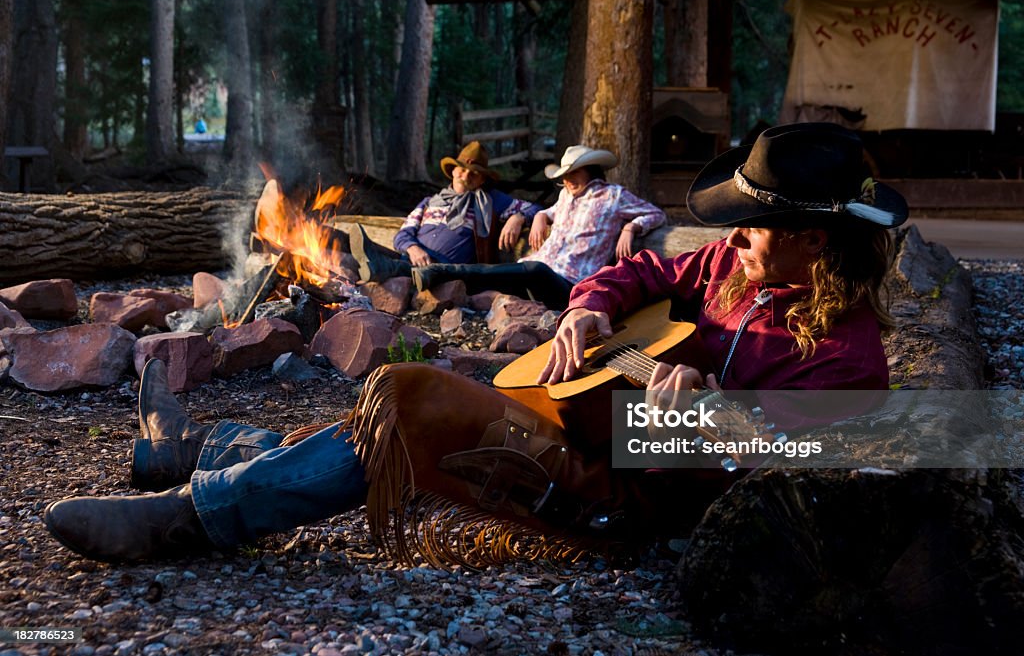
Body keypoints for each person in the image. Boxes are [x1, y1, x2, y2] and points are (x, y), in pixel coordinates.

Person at [43, 122, 908, 565]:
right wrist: (586, 313)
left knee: (416, 400)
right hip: (583, 415)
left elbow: (784, 464)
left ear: (815, 241)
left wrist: (706, 420)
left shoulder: (847, 362)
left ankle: (199, 512)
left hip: (626, 496)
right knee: (411, 419)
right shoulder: (733, 264)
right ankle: (211, 456)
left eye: (759, 226)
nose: (739, 236)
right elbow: (641, 278)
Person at [409, 145, 667, 309]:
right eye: (564, 175)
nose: (567, 179)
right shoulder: (566, 196)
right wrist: (541, 216)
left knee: (535, 269)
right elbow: (546, 211)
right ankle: (442, 277)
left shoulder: (614, 196)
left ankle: (442, 272)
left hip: (571, 283)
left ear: (591, 171)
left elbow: (655, 214)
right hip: (536, 274)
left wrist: (631, 228)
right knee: (519, 271)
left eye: (574, 172)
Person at [349, 141, 541, 283]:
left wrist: (517, 217)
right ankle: (365, 256)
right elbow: (403, 233)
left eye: (474, 173)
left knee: (426, 270)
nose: (466, 175)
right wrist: (414, 249)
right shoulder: (429, 202)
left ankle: (380, 266)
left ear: (482, 179)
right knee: (404, 260)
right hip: (413, 256)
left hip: (452, 269)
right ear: (454, 170)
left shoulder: (492, 200)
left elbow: (534, 208)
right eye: (463, 169)